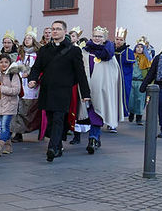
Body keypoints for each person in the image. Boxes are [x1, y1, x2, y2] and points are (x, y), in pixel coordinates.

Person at [28, 20, 91, 162]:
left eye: (57, 29)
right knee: (51, 120)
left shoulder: (74, 50)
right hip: (47, 90)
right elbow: (37, 67)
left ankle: (52, 148)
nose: (54, 31)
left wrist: (85, 93)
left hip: (63, 91)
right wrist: (32, 79)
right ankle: (58, 146)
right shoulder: (44, 50)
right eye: (53, 29)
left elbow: (80, 73)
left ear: (64, 31)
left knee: (58, 118)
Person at [78, 26, 123, 153]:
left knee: (98, 112)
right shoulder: (85, 52)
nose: (97, 38)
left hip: (102, 89)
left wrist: (107, 86)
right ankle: (95, 137)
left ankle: (92, 138)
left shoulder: (109, 54)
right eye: (95, 36)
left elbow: (114, 74)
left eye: (100, 36)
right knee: (89, 112)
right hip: (86, 88)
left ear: (104, 39)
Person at [11, 27, 40, 142]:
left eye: (30, 38)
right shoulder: (21, 54)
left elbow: (39, 68)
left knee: (28, 110)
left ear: (34, 40)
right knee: (19, 109)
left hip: (32, 86)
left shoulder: (37, 54)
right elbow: (16, 66)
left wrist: (30, 75)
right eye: (26, 38)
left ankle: (30, 128)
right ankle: (18, 133)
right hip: (20, 84)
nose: (27, 40)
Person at [129, 37, 154, 125]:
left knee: (140, 100)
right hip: (131, 81)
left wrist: (149, 83)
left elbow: (150, 72)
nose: (139, 49)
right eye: (137, 47)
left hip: (141, 82)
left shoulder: (147, 59)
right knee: (131, 99)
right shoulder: (131, 57)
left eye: (141, 47)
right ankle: (131, 113)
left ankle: (139, 117)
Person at [113, 27, 135, 124]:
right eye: (117, 39)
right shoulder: (110, 49)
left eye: (121, 40)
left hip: (123, 79)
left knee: (120, 99)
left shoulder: (128, 51)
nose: (118, 41)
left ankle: (115, 121)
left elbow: (130, 66)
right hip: (111, 78)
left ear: (124, 41)